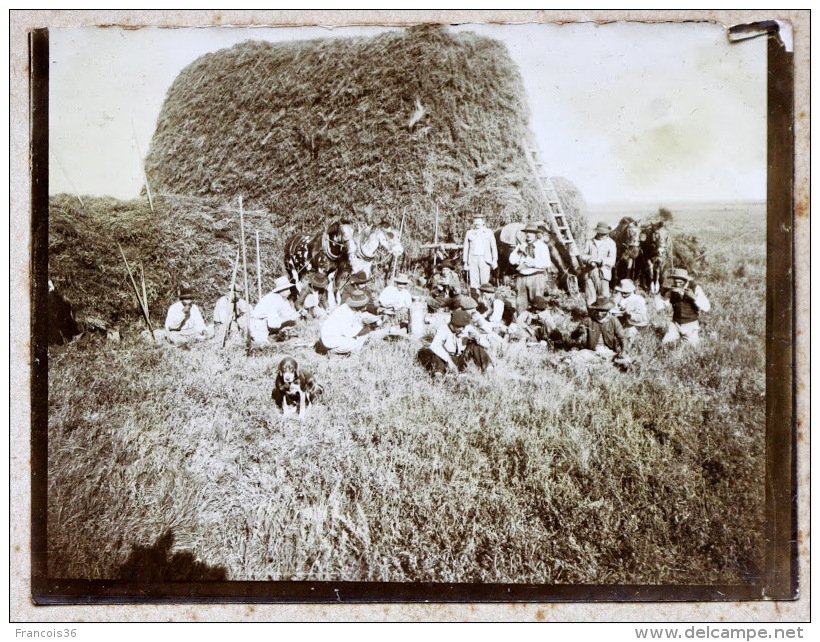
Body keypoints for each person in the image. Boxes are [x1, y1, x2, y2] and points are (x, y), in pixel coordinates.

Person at [417, 309, 493, 378]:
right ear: (452, 325)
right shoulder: (444, 329)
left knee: (476, 346)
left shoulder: (467, 329)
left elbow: (487, 345)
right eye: (459, 327)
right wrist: (449, 361)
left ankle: (487, 368)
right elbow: (434, 346)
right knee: (436, 353)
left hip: (461, 358)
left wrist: (478, 339)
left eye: (464, 327)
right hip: (446, 359)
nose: (462, 330)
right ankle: (439, 374)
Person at [508, 222, 552, 313]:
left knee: (537, 303)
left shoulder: (542, 246)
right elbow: (512, 260)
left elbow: (547, 263)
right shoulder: (521, 246)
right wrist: (520, 252)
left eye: (531, 233)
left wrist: (531, 262)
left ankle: (539, 323)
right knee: (520, 304)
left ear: (536, 234)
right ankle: (521, 323)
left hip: (536, 277)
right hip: (521, 277)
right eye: (527, 232)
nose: (528, 235)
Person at [318, 289, 378, 355]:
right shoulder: (345, 313)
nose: (366, 306)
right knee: (353, 344)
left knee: (365, 331)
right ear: (358, 305)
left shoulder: (351, 309)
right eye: (364, 304)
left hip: (337, 334)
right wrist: (361, 323)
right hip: (329, 338)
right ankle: (332, 352)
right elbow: (349, 334)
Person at [661, 268, 711, 347]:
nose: (677, 285)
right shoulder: (672, 289)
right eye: (675, 282)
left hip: (690, 324)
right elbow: (661, 303)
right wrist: (663, 293)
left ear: (685, 280)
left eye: (680, 282)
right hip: (676, 323)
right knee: (665, 345)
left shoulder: (695, 288)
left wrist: (694, 297)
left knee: (692, 348)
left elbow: (707, 307)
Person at [570, 297, 628, 362]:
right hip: (590, 351)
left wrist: (624, 350)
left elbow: (622, 337)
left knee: (625, 360)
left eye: (603, 311)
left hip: (608, 351)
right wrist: (579, 331)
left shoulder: (613, 320)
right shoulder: (588, 320)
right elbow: (573, 336)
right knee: (574, 357)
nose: (600, 313)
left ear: (608, 310)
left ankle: (607, 361)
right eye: (598, 310)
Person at [250, 276, 300, 344]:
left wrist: (298, 314)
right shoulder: (273, 300)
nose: (289, 291)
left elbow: (289, 313)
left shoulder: (283, 298)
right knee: (265, 347)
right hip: (258, 325)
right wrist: (288, 318)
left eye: (289, 288)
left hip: (267, 324)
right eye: (286, 289)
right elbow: (273, 324)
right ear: (280, 290)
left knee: (292, 325)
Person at [580, 222, 617, 303]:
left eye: (605, 234)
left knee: (603, 298)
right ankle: (591, 314)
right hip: (590, 272)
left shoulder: (611, 243)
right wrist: (589, 260)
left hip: (603, 274)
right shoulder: (590, 242)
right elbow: (583, 255)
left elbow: (612, 260)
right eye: (601, 233)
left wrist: (601, 261)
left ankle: (603, 314)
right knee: (590, 297)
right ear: (597, 232)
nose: (603, 235)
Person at [462, 214, 498, 295]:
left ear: (483, 222)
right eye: (475, 221)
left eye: (478, 221)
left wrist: (495, 260)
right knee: (474, 282)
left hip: (485, 260)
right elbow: (466, 248)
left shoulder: (489, 232)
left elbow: (494, 247)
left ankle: (484, 302)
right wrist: (465, 263)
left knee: (484, 282)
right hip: (473, 259)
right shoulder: (469, 233)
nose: (476, 223)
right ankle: (475, 301)